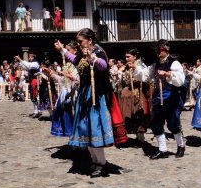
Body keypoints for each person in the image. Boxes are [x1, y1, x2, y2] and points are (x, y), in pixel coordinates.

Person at [54, 28, 127, 177]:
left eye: (80, 41)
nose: (78, 44)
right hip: (84, 95)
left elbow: (103, 66)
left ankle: (101, 163)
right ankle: (94, 161)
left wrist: (92, 58)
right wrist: (62, 50)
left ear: (89, 40)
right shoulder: (82, 53)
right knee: (84, 128)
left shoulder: (98, 52)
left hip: (96, 96)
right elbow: (74, 59)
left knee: (94, 129)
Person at [130, 39, 186, 159]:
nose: (157, 52)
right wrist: (135, 68)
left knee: (173, 124)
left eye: (160, 49)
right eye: (156, 49)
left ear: (166, 50)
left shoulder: (174, 63)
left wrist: (168, 74)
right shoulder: (155, 64)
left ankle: (181, 145)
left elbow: (181, 80)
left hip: (171, 98)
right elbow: (144, 75)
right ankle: (162, 148)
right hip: (157, 98)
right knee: (156, 123)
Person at [119, 48, 150, 142]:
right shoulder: (127, 66)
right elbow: (125, 80)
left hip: (139, 91)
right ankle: (135, 132)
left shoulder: (141, 65)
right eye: (126, 57)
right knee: (131, 112)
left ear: (135, 56)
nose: (127, 58)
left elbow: (145, 77)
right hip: (129, 92)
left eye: (129, 57)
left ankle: (141, 134)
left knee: (139, 111)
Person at [49, 45, 79, 137]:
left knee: (77, 117)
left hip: (77, 93)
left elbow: (79, 80)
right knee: (70, 117)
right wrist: (53, 75)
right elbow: (63, 81)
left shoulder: (78, 64)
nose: (66, 53)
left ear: (75, 51)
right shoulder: (67, 64)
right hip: (68, 94)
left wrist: (72, 78)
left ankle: (81, 142)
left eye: (68, 50)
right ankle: (74, 140)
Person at [15, 52, 40, 117]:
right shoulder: (32, 63)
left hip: (35, 80)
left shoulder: (35, 63)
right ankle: (36, 111)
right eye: (28, 57)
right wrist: (19, 61)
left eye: (30, 57)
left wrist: (20, 59)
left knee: (34, 96)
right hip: (32, 80)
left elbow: (28, 65)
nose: (29, 58)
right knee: (32, 96)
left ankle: (37, 111)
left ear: (33, 57)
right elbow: (25, 66)